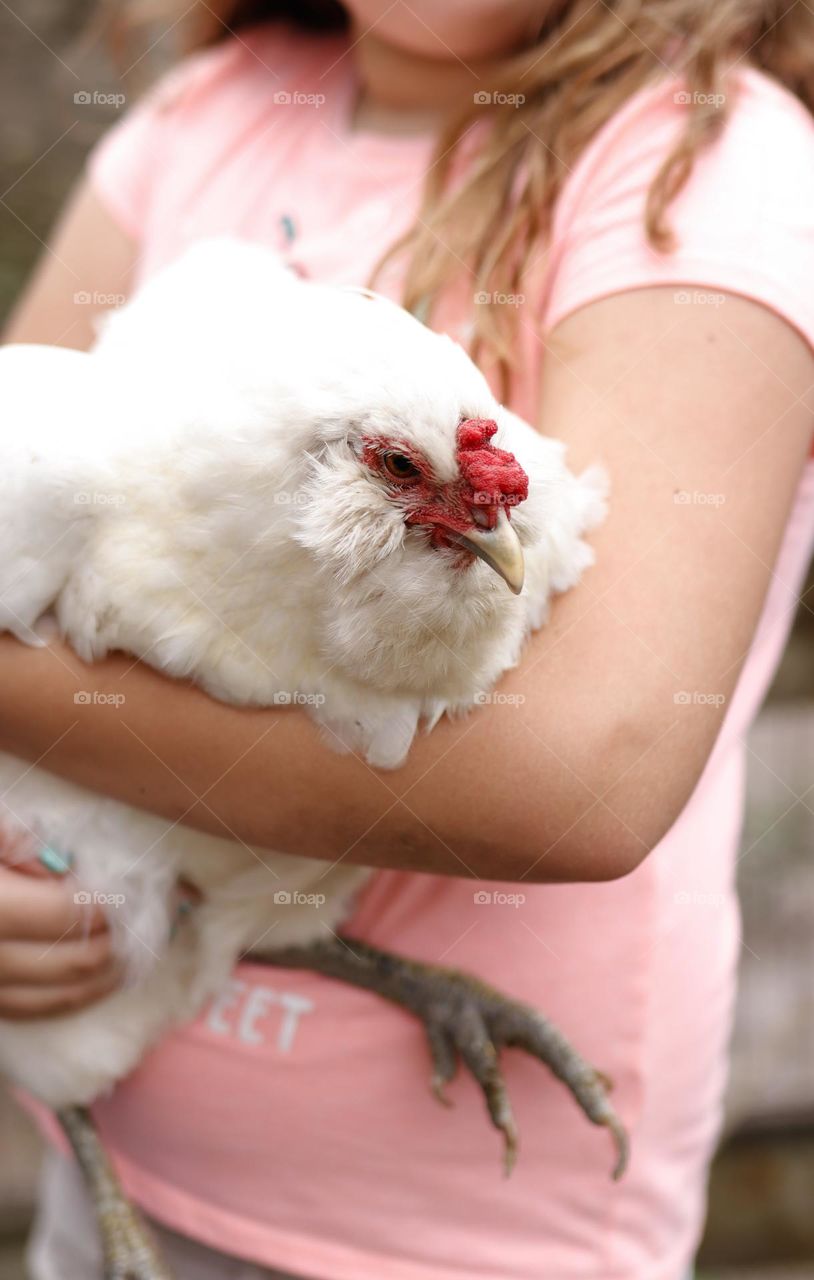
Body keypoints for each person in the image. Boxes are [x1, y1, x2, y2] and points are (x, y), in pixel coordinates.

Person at [2, 1, 813, 1276]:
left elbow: (581, 783)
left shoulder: (705, 167)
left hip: (464, 1235)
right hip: (111, 1154)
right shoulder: (200, 120)